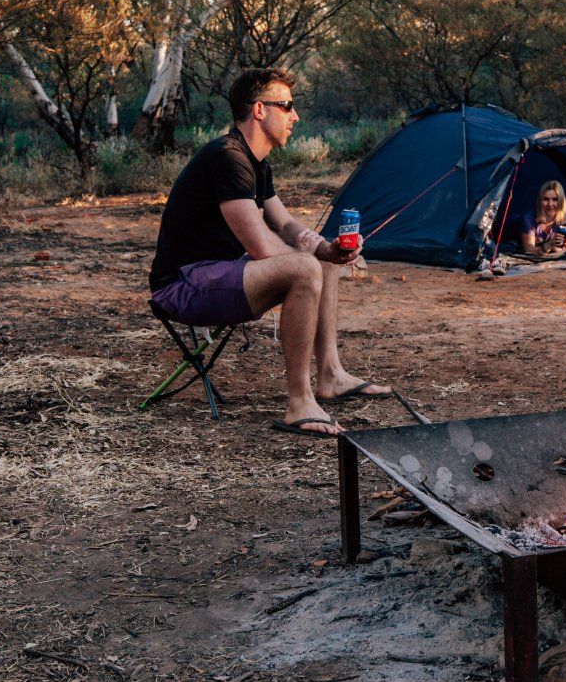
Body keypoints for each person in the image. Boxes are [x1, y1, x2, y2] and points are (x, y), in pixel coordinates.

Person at [148, 68, 391, 438]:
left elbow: (286, 225)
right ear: (260, 110)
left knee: (318, 263)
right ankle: (300, 403)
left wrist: (326, 249)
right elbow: (260, 246)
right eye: (287, 106)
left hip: (221, 272)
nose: (296, 116)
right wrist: (307, 260)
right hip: (184, 285)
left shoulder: (257, 164)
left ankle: (330, 376)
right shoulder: (226, 157)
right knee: (304, 268)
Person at [506, 180, 566, 261]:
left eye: (555, 199)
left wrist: (562, 246)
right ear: (540, 200)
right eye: (546, 199)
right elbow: (528, 250)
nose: (550, 204)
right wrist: (548, 245)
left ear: (561, 201)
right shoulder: (529, 218)